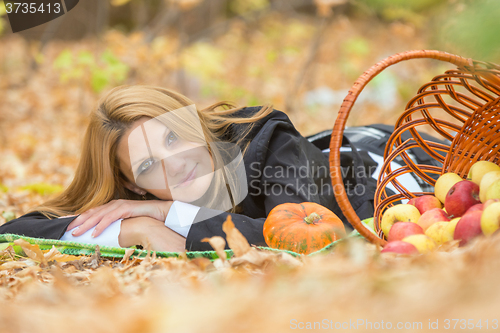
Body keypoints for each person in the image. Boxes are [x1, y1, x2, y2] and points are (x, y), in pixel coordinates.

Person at [0, 85, 439, 252]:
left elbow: (298, 234)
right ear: (133, 187)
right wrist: (135, 230)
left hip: (395, 157)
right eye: (150, 164)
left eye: (174, 136)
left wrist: (167, 219)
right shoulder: (138, 204)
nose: (177, 161)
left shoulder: (267, 138)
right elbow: (19, 229)